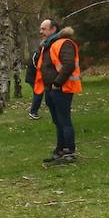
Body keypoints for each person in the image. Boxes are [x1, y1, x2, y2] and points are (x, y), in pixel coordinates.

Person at [38, 19, 81, 164]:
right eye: (41, 29)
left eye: (44, 29)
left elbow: (68, 65)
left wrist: (57, 83)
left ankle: (69, 152)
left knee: (64, 120)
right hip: (50, 89)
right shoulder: (48, 46)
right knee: (58, 121)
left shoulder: (65, 43)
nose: (41, 32)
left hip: (62, 88)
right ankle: (60, 150)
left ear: (53, 29)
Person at [26, 43, 44, 119]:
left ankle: (33, 111)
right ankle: (33, 112)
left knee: (38, 94)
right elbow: (35, 64)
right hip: (33, 77)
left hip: (36, 77)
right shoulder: (37, 54)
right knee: (38, 94)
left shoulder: (39, 53)